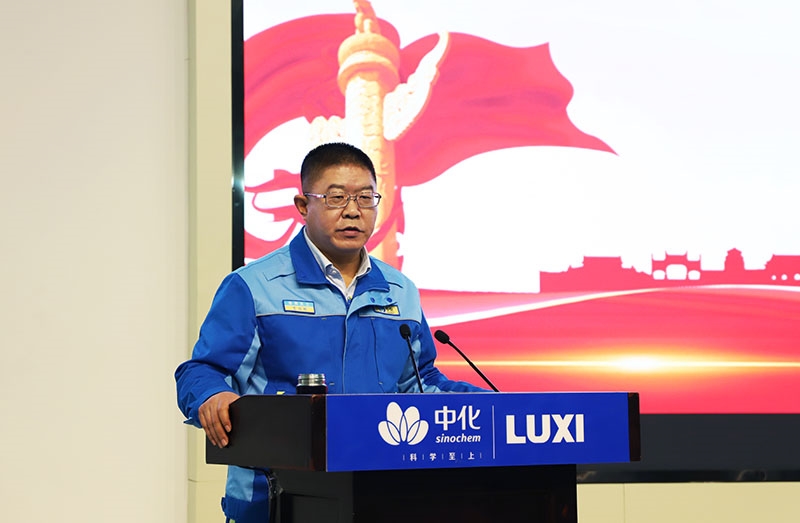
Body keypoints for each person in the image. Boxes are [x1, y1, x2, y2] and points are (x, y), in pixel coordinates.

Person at [175, 142, 485, 523]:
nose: (353, 211)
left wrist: (495, 408)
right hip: (273, 505)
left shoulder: (400, 291)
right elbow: (201, 370)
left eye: (366, 198)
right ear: (303, 206)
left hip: (380, 500)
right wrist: (212, 395)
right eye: (337, 197)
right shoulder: (254, 286)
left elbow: (419, 383)